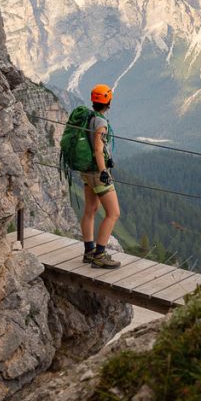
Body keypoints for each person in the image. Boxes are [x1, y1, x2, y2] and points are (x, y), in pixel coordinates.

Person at [80, 83, 121, 269]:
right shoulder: (101, 123)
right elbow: (98, 147)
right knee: (113, 213)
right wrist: (104, 171)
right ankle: (99, 255)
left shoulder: (89, 117)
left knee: (90, 210)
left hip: (86, 171)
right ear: (108, 102)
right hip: (97, 172)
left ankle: (89, 251)